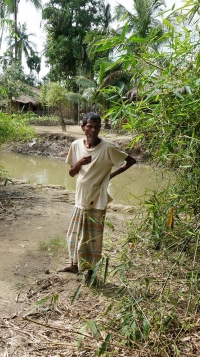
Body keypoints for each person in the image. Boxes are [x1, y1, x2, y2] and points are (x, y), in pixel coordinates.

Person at [58, 112, 136, 285]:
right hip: (80, 199)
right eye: (89, 126)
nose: (93, 130)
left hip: (97, 199)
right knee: (74, 235)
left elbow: (131, 161)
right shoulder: (76, 145)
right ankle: (74, 265)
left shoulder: (108, 148)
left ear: (100, 128)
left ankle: (90, 273)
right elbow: (71, 173)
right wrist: (80, 163)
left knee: (93, 238)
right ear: (83, 127)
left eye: (96, 127)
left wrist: (109, 177)